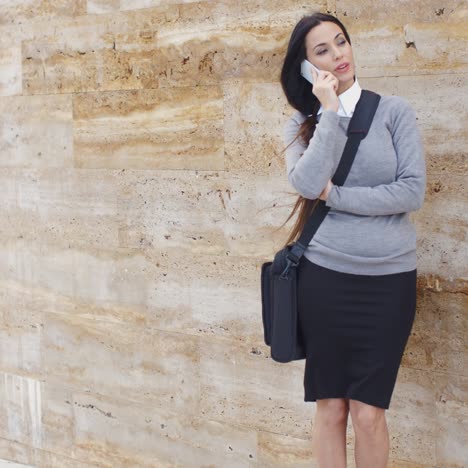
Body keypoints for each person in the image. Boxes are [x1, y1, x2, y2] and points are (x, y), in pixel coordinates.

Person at [276, 11, 426, 468]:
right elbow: (307, 182)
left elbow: (411, 190)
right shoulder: (303, 124)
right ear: (306, 66)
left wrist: (337, 195)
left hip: (388, 281)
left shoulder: (393, 111)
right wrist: (331, 113)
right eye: (322, 50)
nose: (338, 55)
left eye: (340, 42)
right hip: (325, 279)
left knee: (368, 413)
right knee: (331, 408)